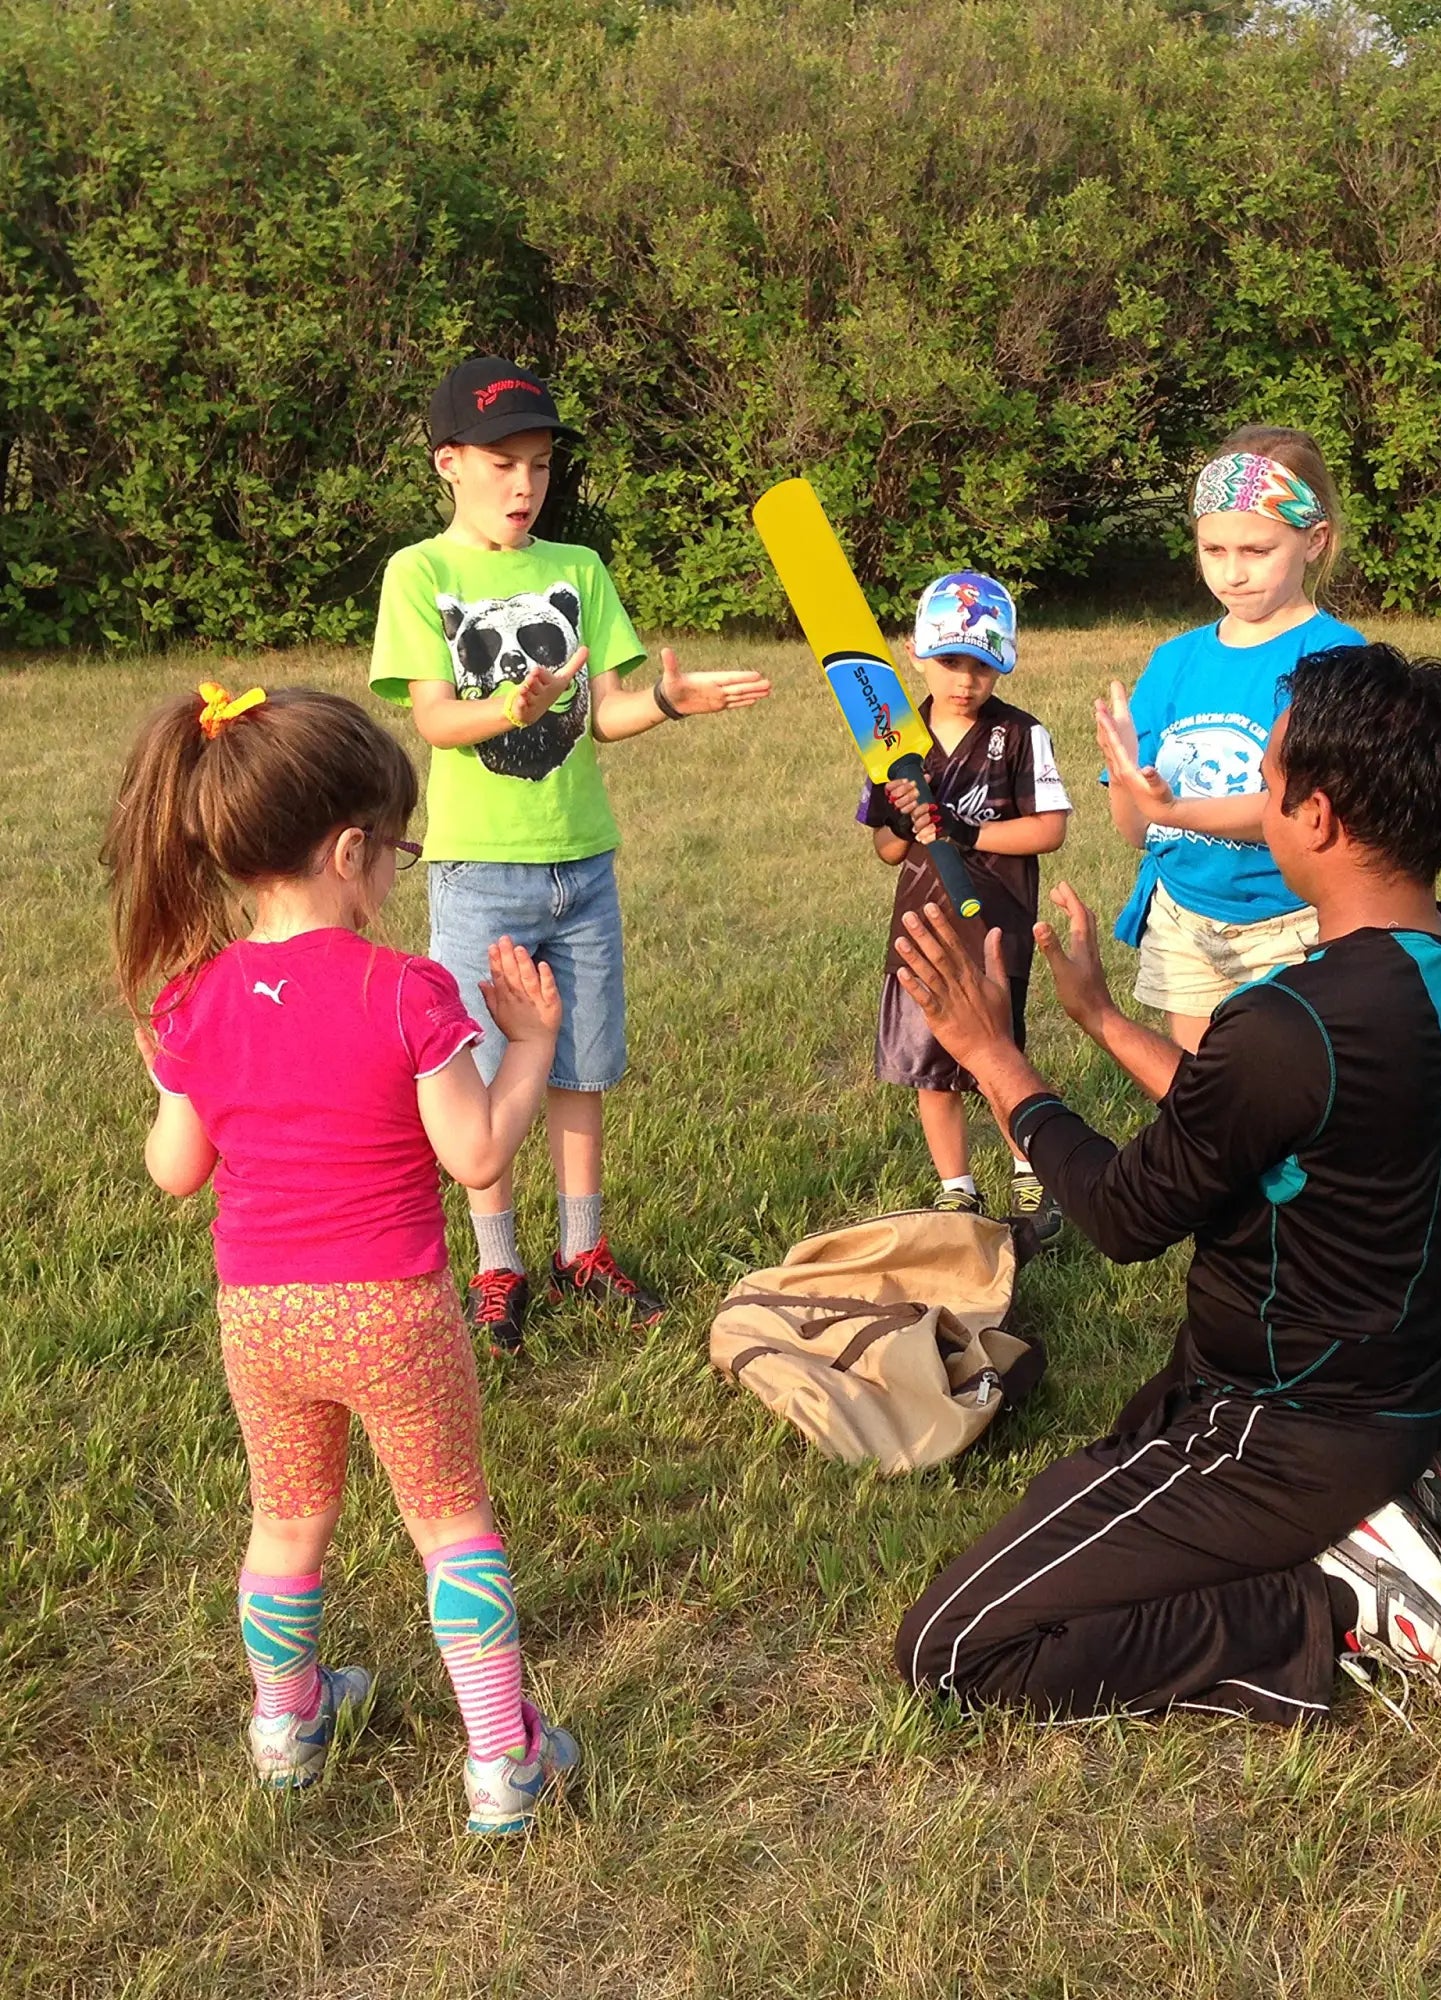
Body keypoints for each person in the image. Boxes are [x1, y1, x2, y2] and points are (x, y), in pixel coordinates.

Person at [889, 642, 1441, 1732]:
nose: (1253, 796)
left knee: (960, 1645)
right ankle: (1404, 1499)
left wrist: (992, 1056)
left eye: (1263, 778)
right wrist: (1107, 1023)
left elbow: (1119, 1212)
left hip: (1281, 1425)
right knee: (1095, 1473)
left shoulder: (1292, 1021)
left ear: (1315, 817)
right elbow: (1265, 1124)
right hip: (1416, 1383)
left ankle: (1334, 1604)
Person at [106, 683, 581, 1833]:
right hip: (393, 1311)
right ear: (349, 848)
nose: (393, 877)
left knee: (286, 1518)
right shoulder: (403, 987)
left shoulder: (194, 999)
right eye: (397, 854)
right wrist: (532, 1044)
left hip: (262, 1317)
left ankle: (286, 1722)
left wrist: (170, 1067)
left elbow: (176, 1170)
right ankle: (503, 1758)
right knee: (450, 1519)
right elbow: (474, 1156)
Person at [370, 357, 770, 1355]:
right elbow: (432, 715)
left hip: (579, 864)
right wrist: (510, 704)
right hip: (479, 871)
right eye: (501, 464)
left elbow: (607, 714)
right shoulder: (421, 573)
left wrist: (670, 701)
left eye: (539, 465)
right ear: (447, 463)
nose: (522, 485)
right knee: (483, 1064)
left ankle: (581, 1251)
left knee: (580, 1060)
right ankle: (498, 1261)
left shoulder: (580, 571)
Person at [1097, 426, 1365, 1053]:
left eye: (1256, 550)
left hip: (1291, 924)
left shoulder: (1337, 659)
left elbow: (1301, 811)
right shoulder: (1174, 661)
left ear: (1313, 542)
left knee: (1287, 1090)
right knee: (1197, 1097)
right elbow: (1138, 830)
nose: (1232, 574)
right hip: (1183, 916)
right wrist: (1124, 770)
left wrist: (1173, 807)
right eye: (1213, 550)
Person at [859, 572, 1072, 1231]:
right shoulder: (892, 737)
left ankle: (1030, 1174)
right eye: (950, 661)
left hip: (993, 925)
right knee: (931, 1067)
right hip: (921, 928)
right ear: (916, 653)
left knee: (997, 1058)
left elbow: (1050, 829)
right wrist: (899, 827)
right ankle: (957, 1187)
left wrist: (967, 830)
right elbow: (886, 851)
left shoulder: (1020, 734)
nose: (964, 679)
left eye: (981, 665)